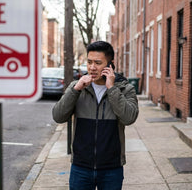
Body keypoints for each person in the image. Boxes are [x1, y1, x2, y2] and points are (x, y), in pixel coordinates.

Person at [52, 41, 139, 190]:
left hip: (111, 168)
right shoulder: (77, 87)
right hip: (81, 168)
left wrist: (111, 89)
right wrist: (76, 89)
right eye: (89, 62)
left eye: (98, 63)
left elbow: (129, 118)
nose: (92, 67)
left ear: (110, 65)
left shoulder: (125, 89)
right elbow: (58, 116)